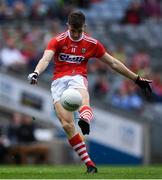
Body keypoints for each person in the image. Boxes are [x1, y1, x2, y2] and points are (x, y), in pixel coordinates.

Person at [28, 11, 152, 173]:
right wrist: (36, 72)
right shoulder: (57, 41)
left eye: (79, 31)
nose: (76, 34)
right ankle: (89, 163)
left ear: (84, 27)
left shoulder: (92, 43)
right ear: (68, 27)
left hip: (77, 77)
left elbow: (113, 63)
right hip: (58, 82)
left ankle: (85, 119)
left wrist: (136, 79)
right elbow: (45, 59)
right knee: (66, 124)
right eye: (73, 31)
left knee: (82, 98)